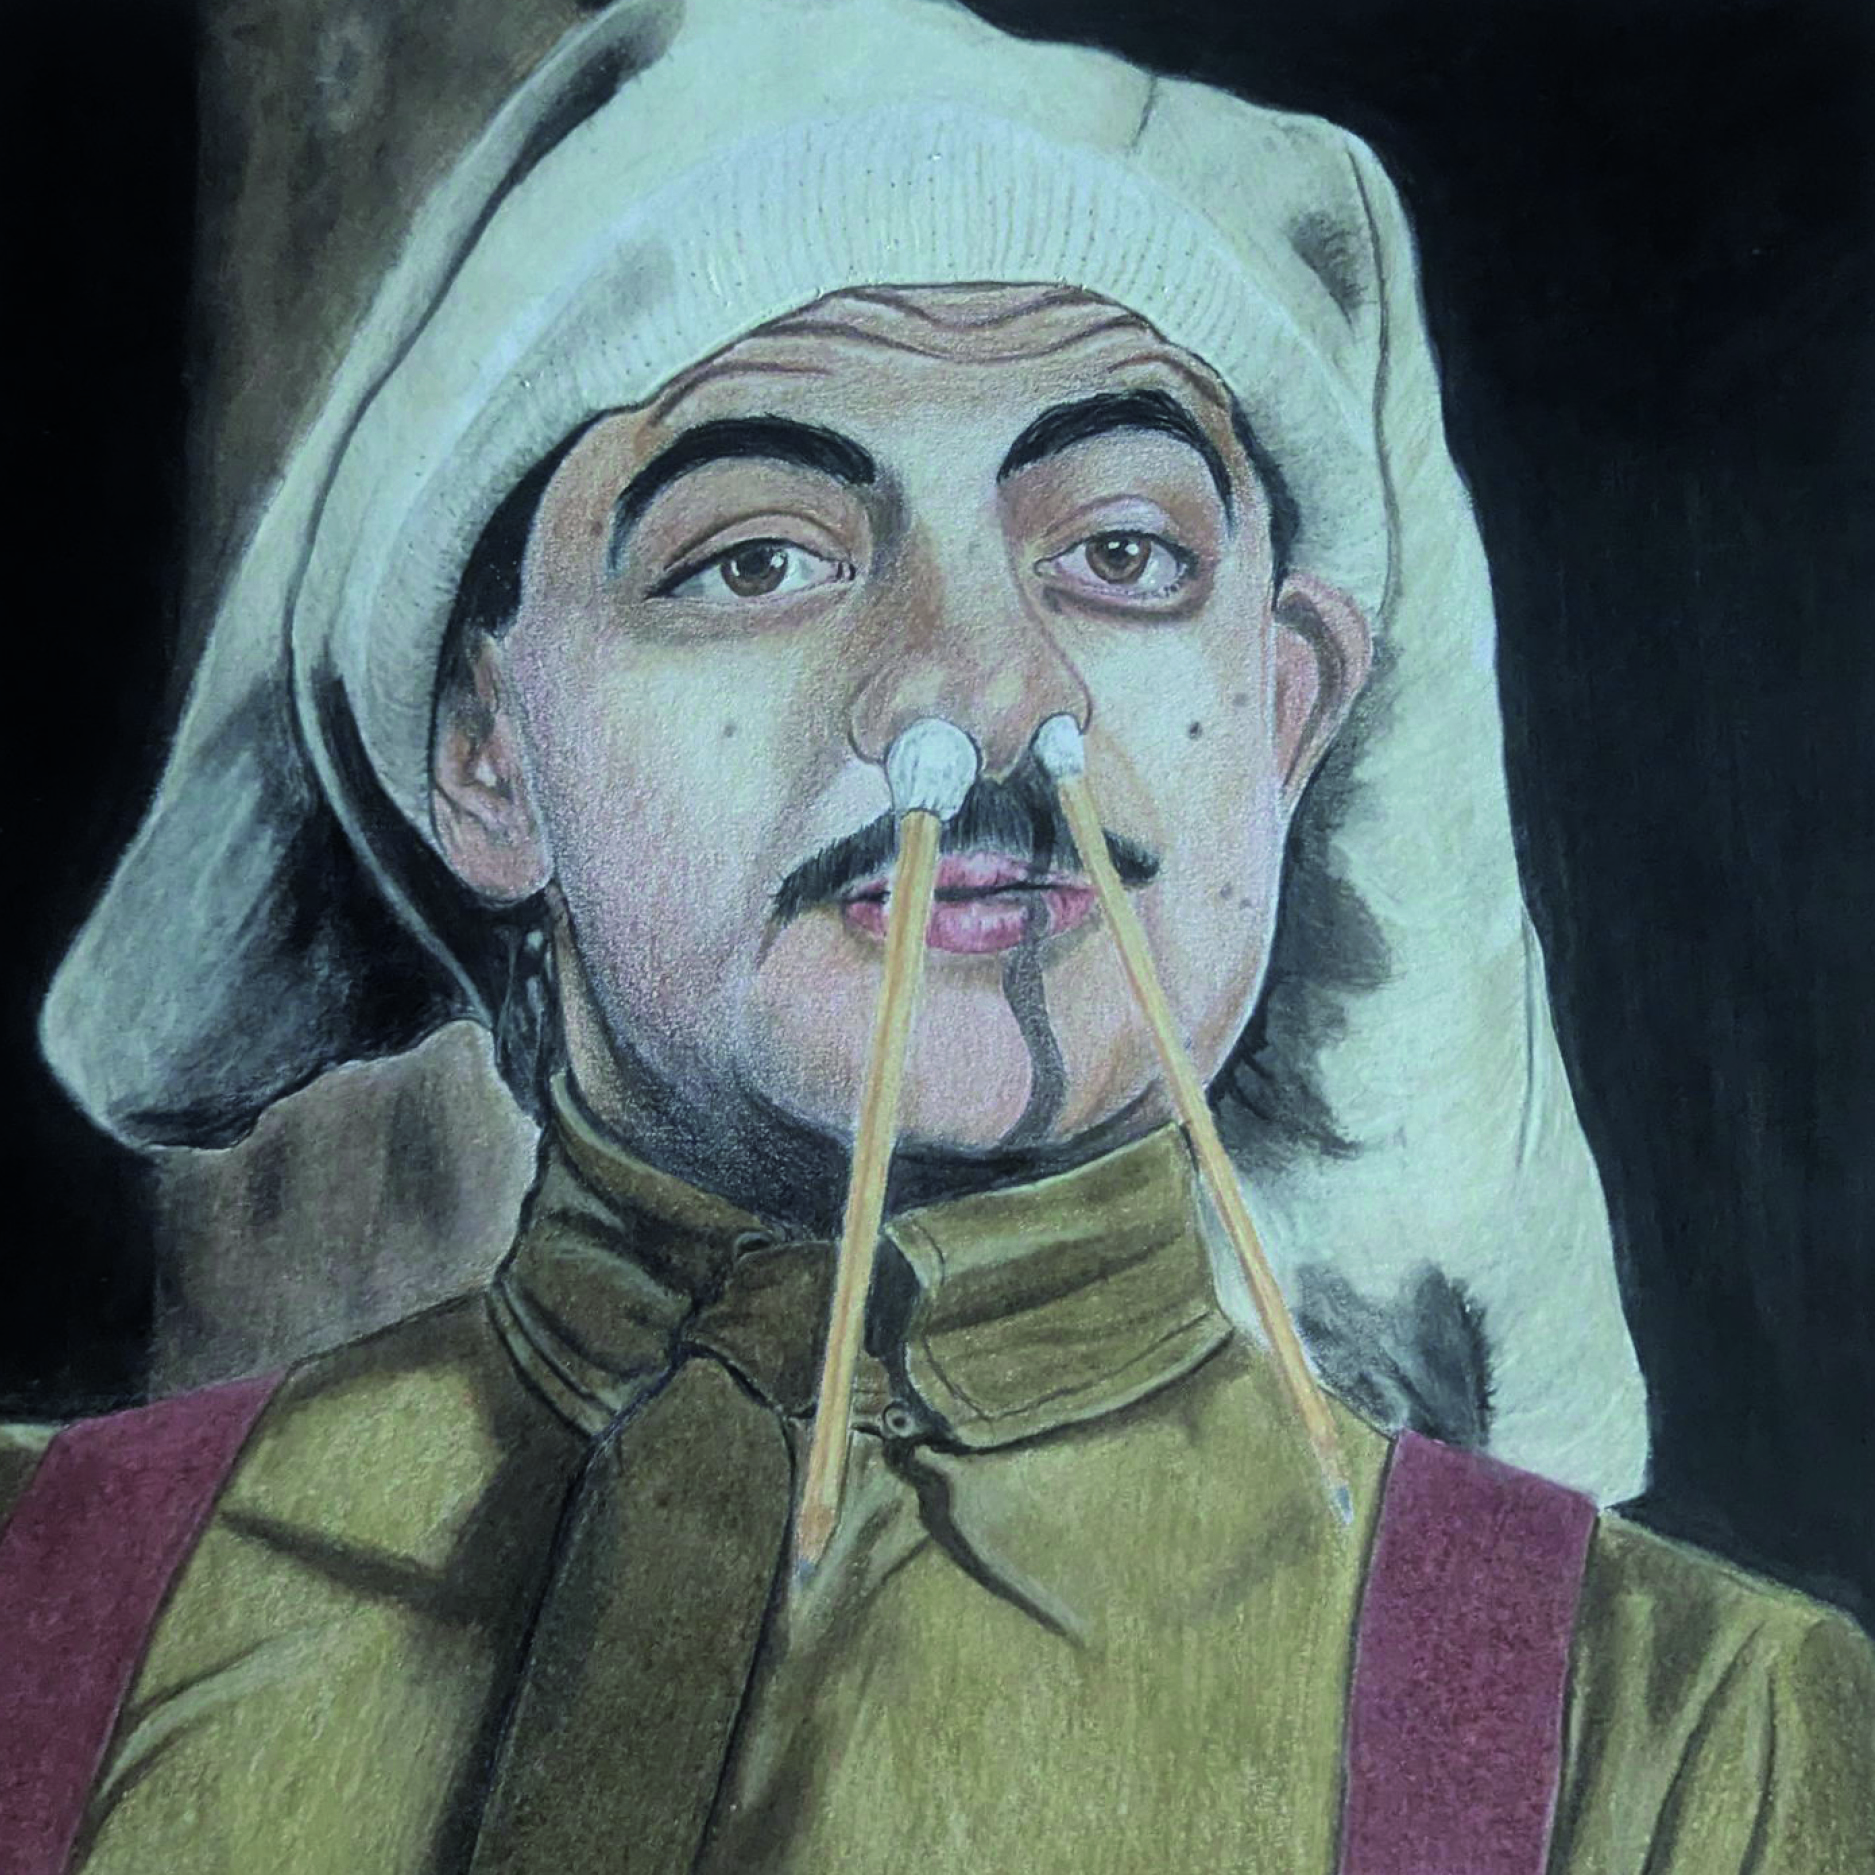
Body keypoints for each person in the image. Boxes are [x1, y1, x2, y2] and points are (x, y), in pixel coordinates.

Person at [5, 1, 1871, 1870]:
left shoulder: (1691, 1747)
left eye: (1121, 551)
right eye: (758, 557)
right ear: (487, 754)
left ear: (1287, 707)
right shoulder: (41, 1604)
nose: (982, 694)